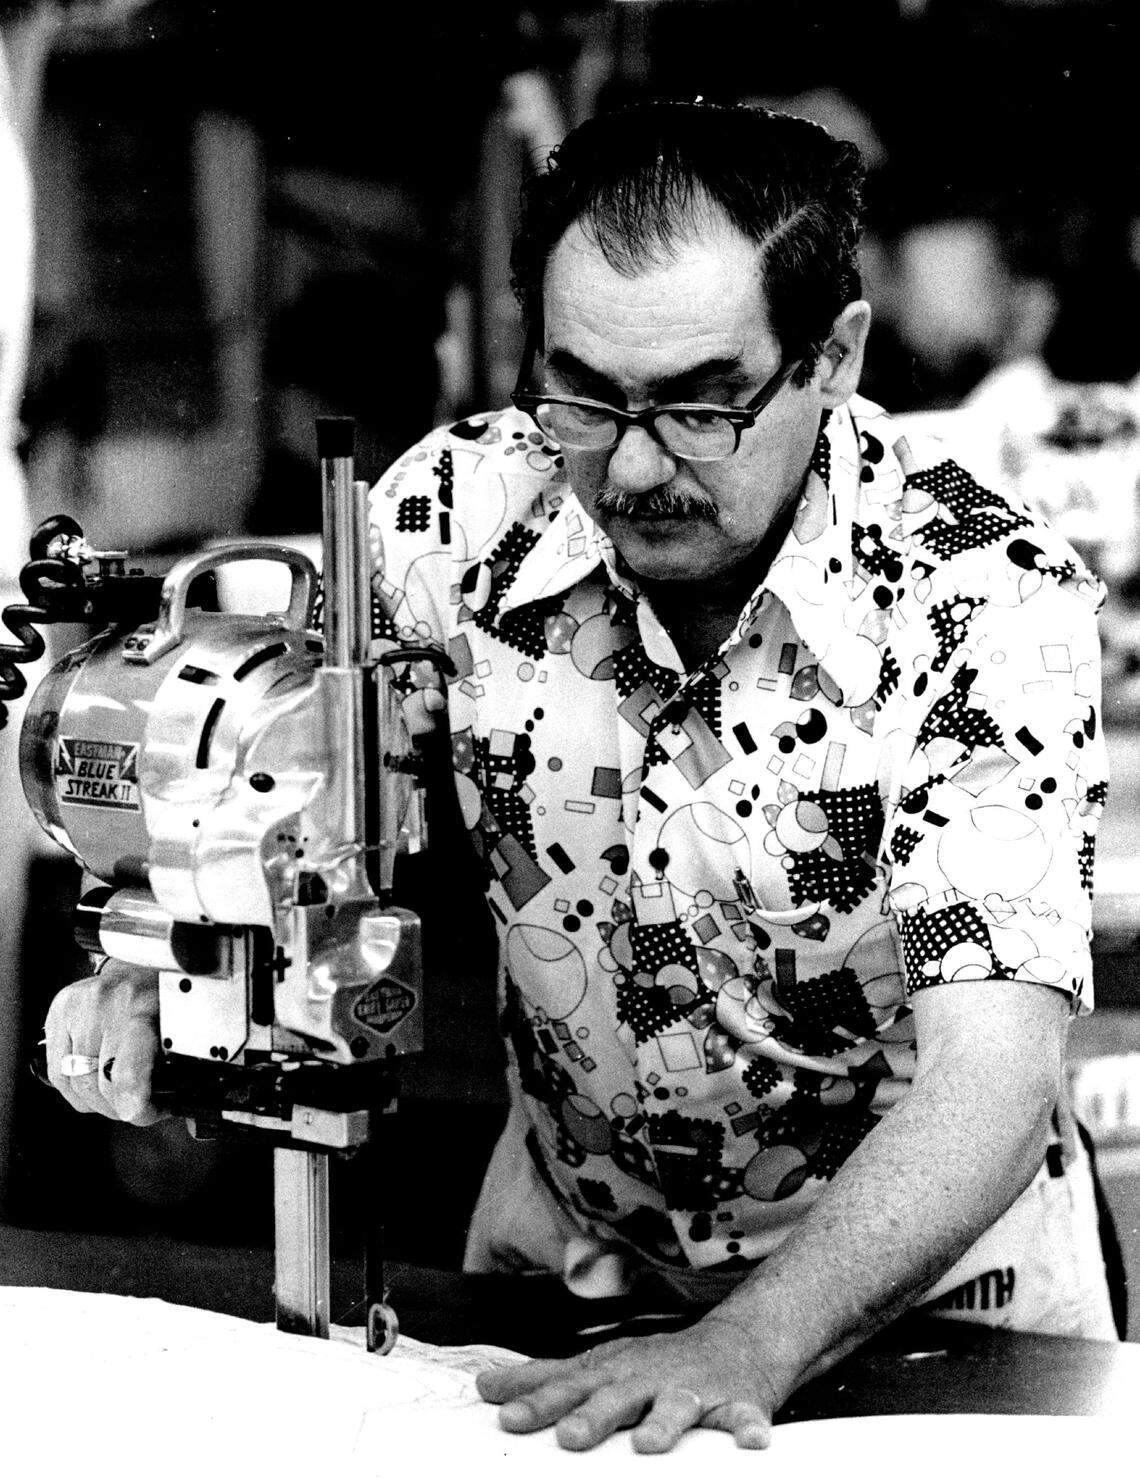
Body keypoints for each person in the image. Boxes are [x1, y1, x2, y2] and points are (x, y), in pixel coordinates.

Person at [43, 101, 1117, 1454]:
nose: (637, 462)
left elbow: (994, 1082)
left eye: (702, 402)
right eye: (585, 397)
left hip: (938, 1322)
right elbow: (264, 762)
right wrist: (155, 959)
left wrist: (747, 1339)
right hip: (573, 1284)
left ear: (833, 355)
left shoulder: (983, 596)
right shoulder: (460, 516)